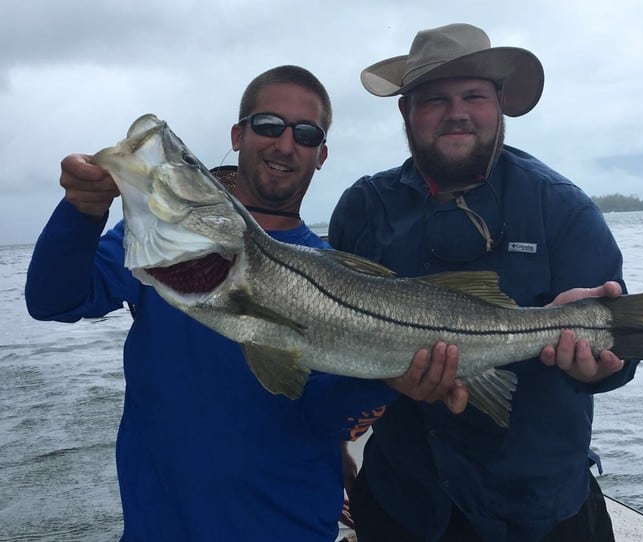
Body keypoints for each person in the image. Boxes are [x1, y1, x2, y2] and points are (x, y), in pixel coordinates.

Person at [25, 65, 407, 542]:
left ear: (321, 154)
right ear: (238, 134)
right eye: (268, 125)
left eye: (305, 134)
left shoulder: (334, 276)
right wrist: (81, 213)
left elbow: (318, 415)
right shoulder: (161, 245)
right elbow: (52, 299)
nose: (284, 144)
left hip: (290, 525)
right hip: (158, 528)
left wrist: (391, 378)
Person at [329, 24, 636, 542]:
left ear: (500, 105)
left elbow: (622, 358)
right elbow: (335, 338)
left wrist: (604, 362)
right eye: (434, 100)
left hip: (543, 510)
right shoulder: (363, 208)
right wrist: (384, 379)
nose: (457, 112)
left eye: (473, 95)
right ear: (406, 112)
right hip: (404, 503)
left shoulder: (562, 207)